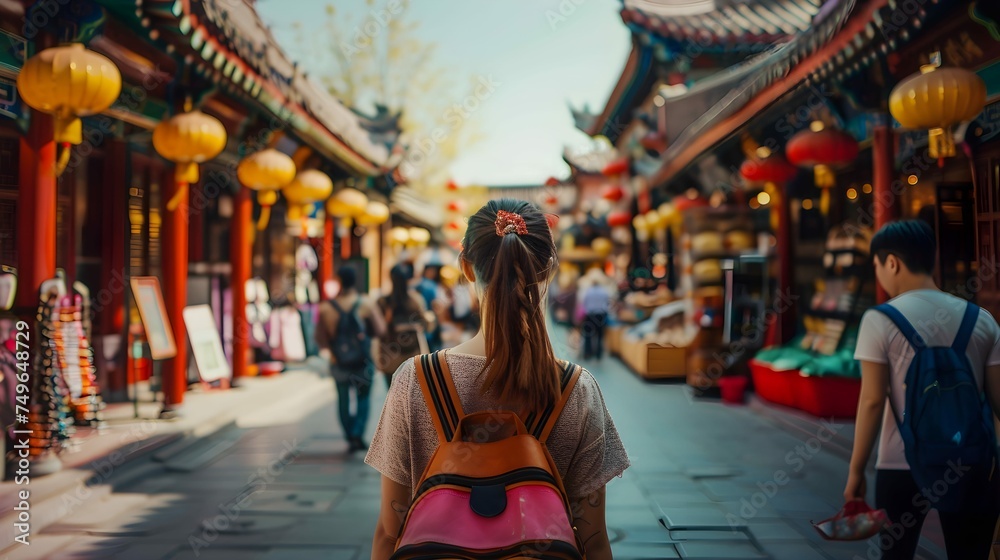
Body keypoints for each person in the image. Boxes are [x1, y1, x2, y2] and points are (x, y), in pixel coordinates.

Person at [365, 199, 629, 560]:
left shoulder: (416, 380)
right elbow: (594, 539)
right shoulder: (576, 389)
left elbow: (389, 531)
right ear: (547, 269)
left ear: (467, 268)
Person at [844, 220, 1000, 560]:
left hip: (901, 465)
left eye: (876, 267)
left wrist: (856, 471)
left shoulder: (879, 320)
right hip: (969, 461)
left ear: (892, 263)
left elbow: (872, 401)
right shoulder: (982, 319)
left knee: (896, 555)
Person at [316, 266, 386, 453]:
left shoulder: (326, 307)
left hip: (338, 360)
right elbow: (380, 330)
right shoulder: (366, 304)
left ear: (339, 281)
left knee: (343, 399)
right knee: (363, 398)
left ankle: (349, 432)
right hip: (362, 360)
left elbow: (320, 339)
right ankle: (357, 433)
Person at [375, 263, 433, 388]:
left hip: (389, 356)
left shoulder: (383, 302)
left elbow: (378, 330)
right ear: (408, 279)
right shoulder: (416, 300)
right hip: (411, 356)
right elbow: (427, 325)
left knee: (391, 395)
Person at [578, 267, 613, 360]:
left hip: (590, 315)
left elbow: (583, 302)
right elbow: (608, 302)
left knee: (588, 335)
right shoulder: (604, 291)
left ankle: (587, 353)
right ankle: (598, 354)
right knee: (600, 336)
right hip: (601, 315)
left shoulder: (588, 291)